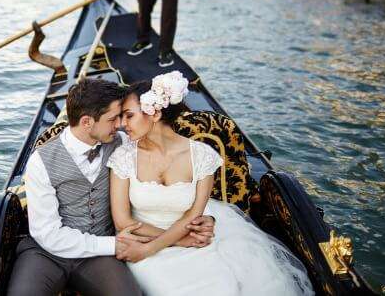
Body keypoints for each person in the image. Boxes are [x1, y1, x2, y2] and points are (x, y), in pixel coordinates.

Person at [107, 71, 315, 295]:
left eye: (129, 116)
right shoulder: (124, 156)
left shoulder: (203, 156)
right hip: (144, 242)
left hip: (190, 239)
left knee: (223, 286)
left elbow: (192, 216)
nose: (122, 124)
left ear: (155, 113)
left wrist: (156, 246)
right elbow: (122, 221)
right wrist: (172, 243)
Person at [7, 78, 215, 296]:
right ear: (87, 122)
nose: (120, 125)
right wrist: (113, 245)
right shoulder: (40, 162)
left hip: (99, 257)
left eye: (123, 117)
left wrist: (204, 217)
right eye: (113, 118)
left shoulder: (123, 144)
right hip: (46, 253)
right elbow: (47, 233)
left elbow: (172, 179)